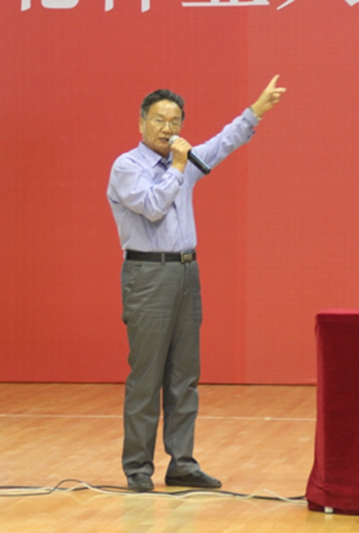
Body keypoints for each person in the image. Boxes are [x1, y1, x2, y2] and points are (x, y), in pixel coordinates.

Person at [107, 75, 286, 492]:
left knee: (184, 375)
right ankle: (138, 467)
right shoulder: (127, 166)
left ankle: (182, 463)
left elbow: (222, 143)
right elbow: (153, 206)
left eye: (175, 121)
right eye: (158, 120)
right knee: (147, 376)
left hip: (187, 273)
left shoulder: (183, 161)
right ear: (141, 123)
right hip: (148, 275)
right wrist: (178, 166)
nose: (167, 128)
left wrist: (256, 111)